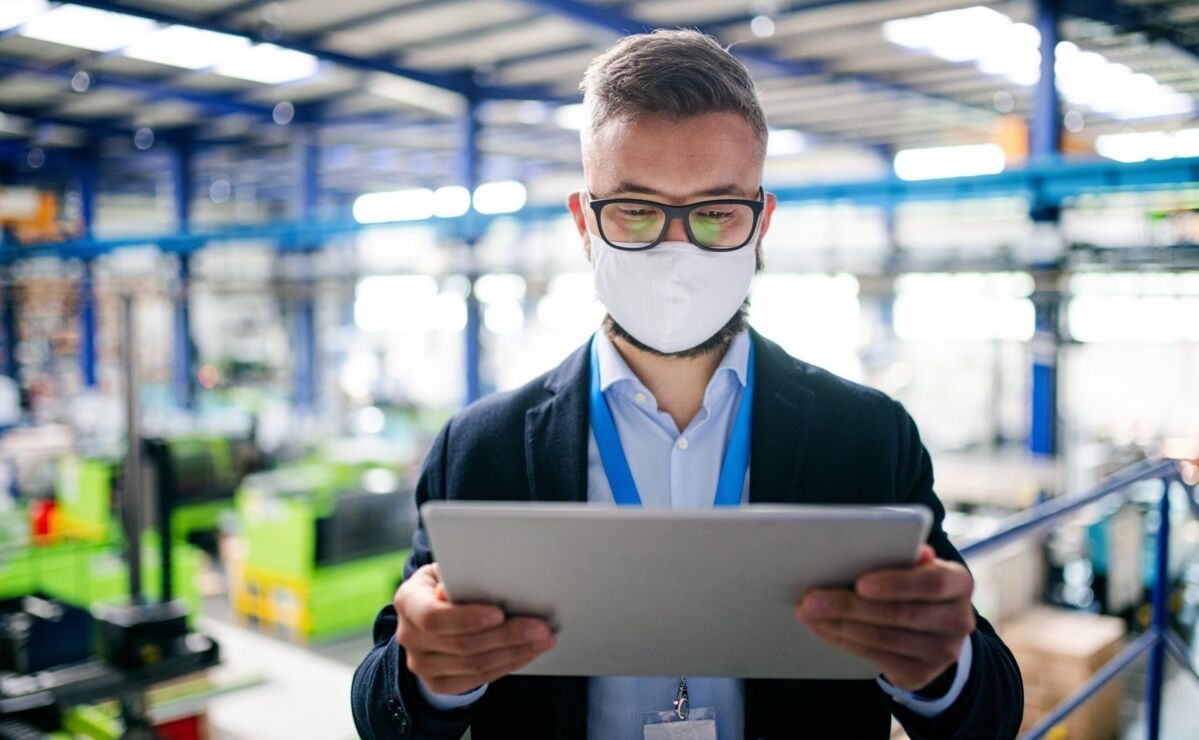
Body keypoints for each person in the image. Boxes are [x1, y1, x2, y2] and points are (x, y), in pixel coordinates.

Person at [352, 29, 1023, 740]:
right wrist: (425, 677)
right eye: (636, 211)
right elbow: (382, 711)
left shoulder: (865, 435)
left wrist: (939, 669)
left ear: (761, 223)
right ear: (584, 223)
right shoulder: (479, 446)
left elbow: (988, 713)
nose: (676, 252)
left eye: (715, 212)